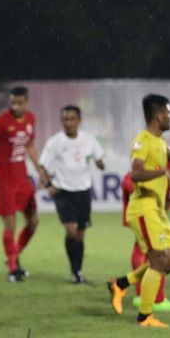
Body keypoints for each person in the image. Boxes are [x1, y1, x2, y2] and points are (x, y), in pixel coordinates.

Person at [108, 94, 170, 327]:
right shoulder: (143, 140)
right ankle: (144, 316)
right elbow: (136, 172)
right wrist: (162, 172)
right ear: (158, 115)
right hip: (143, 207)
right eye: (168, 113)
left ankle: (121, 283)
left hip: (157, 210)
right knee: (159, 260)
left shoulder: (159, 142)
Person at [0, 86, 45, 282]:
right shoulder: (1, 121)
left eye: (20, 103)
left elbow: (30, 146)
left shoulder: (30, 119)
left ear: (26, 102)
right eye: (13, 103)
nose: (16, 106)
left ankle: (13, 256)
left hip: (22, 177)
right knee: (10, 224)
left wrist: (39, 170)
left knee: (33, 221)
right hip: (4, 179)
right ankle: (12, 268)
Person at [39, 105, 105, 283]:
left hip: (83, 191)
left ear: (79, 120)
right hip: (63, 191)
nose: (68, 123)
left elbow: (99, 157)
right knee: (71, 231)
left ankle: (78, 271)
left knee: (81, 233)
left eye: (71, 119)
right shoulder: (55, 142)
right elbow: (42, 166)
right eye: (65, 119)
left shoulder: (88, 139)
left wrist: (100, 163)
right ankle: (74, 271)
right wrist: (48, 185)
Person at [119, 157, 170, 312]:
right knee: (147, 247)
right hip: (139, 191)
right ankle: (147, 298)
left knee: (169, 258)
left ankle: (122, 283)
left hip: (156, 202)